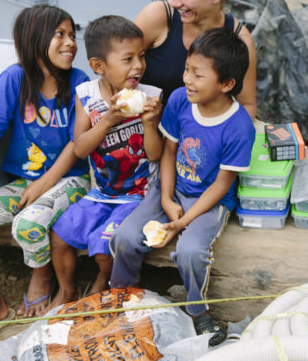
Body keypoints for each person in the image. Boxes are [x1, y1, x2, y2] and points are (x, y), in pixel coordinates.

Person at [0, 5, 91, 357]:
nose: (70, 43)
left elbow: (76, 144)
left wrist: (43, 185)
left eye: (72, 35)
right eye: (60, 34)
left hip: (72, 180)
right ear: (34, 39)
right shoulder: (16, 78)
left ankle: (41, 276)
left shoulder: (80, 81)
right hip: (25, 181)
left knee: (27, 224)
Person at [110, 27, 256, 346]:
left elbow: (221, 184)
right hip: (171, 186)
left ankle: (197, 310)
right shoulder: (179, 100)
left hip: (208, 200)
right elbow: (169, 152)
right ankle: (122, 295)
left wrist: (182, 222)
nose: (187, 79)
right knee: (125, 237)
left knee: (190, 251)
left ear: (227, 84)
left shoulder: (240, 126)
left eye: (198, 74)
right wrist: (165, 198)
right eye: (187, 69)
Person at [48, 15, 163, 309]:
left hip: (138, 195)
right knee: (60, 234)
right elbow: (80, 148)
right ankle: (65, 289)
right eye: (127, 59)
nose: (138, 65)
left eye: (141, 56)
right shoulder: (86, 96)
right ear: (99, 66)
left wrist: (150, 123)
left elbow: (154, 155)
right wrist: (109, 119)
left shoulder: (150, 97)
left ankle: (102, 282)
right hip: (102, 193)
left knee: (103, 247)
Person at [134, 0, 257, 120]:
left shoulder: (239, 39)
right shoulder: (158, 16)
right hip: (141, 131)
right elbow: (117, 63)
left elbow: (246, 104)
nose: (174, 2)